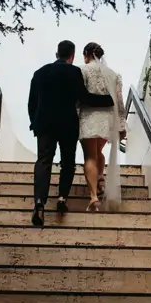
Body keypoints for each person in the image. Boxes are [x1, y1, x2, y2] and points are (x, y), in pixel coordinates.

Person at [28, 39, 114, 227]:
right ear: (72, 56)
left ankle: (39, 202)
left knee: (44, 160)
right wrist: (109, 100)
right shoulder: (74, 72)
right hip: (68, 124)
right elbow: (84, 98)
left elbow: (32, 103)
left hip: (44, 125)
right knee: (67, 162)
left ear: (57, 54)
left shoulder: (40, 73)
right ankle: (62, 198)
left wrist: (34, 122)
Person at [79, 42, 127, 212]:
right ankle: (100, 178)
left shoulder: (82, 70)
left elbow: (79, 97)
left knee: (90, 156)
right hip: (108, 119)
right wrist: (122, 124)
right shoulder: (113, 74)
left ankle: (93, 197)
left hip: (89, 117)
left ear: (87, 54)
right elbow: (119, 101)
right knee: (99, 151)